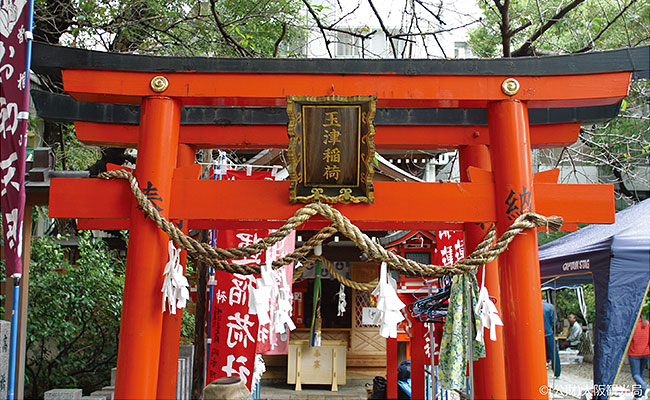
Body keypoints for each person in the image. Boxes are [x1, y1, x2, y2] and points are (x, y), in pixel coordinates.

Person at [629, 317, 650, 399]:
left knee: (635, 375)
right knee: (640, 374)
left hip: (635, 353)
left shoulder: (632, 325)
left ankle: (645, 389)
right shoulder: (647, 323)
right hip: (646, 352)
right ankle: (638, 395)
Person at [543, 299, 561, 377]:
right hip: (548, 332)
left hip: (536, 333)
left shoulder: (533, 305)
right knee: (553, 353)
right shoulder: (550, 307)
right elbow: (554, 321)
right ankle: (557, 372)